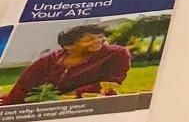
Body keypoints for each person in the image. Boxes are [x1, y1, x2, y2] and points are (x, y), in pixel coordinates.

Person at [4, 23, 132, 103]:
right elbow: (23, 86)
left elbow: (111, 82)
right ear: (68, 46)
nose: (98, 41)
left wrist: (66, 97)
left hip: (91, 103)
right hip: (45, 104)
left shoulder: (115, 53)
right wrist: (11, 104)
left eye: (100, 37)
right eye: (89, 39)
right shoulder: (48, 61)